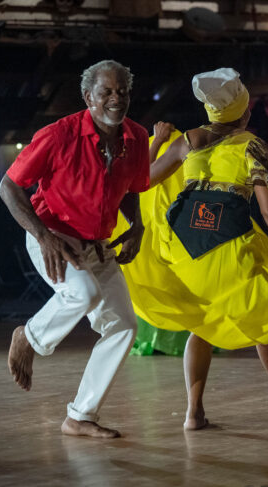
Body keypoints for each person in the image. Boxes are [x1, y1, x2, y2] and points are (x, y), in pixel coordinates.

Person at [142, 68, 268, 430]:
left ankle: (194, 413)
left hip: (183, 248)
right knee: (265, 312)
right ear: (243, 111)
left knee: (204, 321)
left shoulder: (188, 140)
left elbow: (143, 180)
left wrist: (156, 140)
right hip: (225, 242)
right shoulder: (250, 145)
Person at [0, 60, 149, 438]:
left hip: (97, 242)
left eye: (123, 92)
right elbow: (8, 187)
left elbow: (131, 190)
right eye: (106, 92)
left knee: (124, 326)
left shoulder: (137, 137)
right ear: (88, 97)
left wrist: (138, 226)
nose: (116, 99)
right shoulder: (58, 135)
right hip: (52, 234)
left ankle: (80, 416)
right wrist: (43, 236)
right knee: (82, 294)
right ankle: (28, 337)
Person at [110, 123, 191, 356]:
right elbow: (140, 179)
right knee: (158, 278)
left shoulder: (179, 150)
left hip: (164, 226)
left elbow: (140, 178)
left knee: (165, 280)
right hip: (152, 226)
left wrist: (158, 141)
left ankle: (167, 339)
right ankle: (169, 339)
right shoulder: (133, 153)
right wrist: (157, 141)